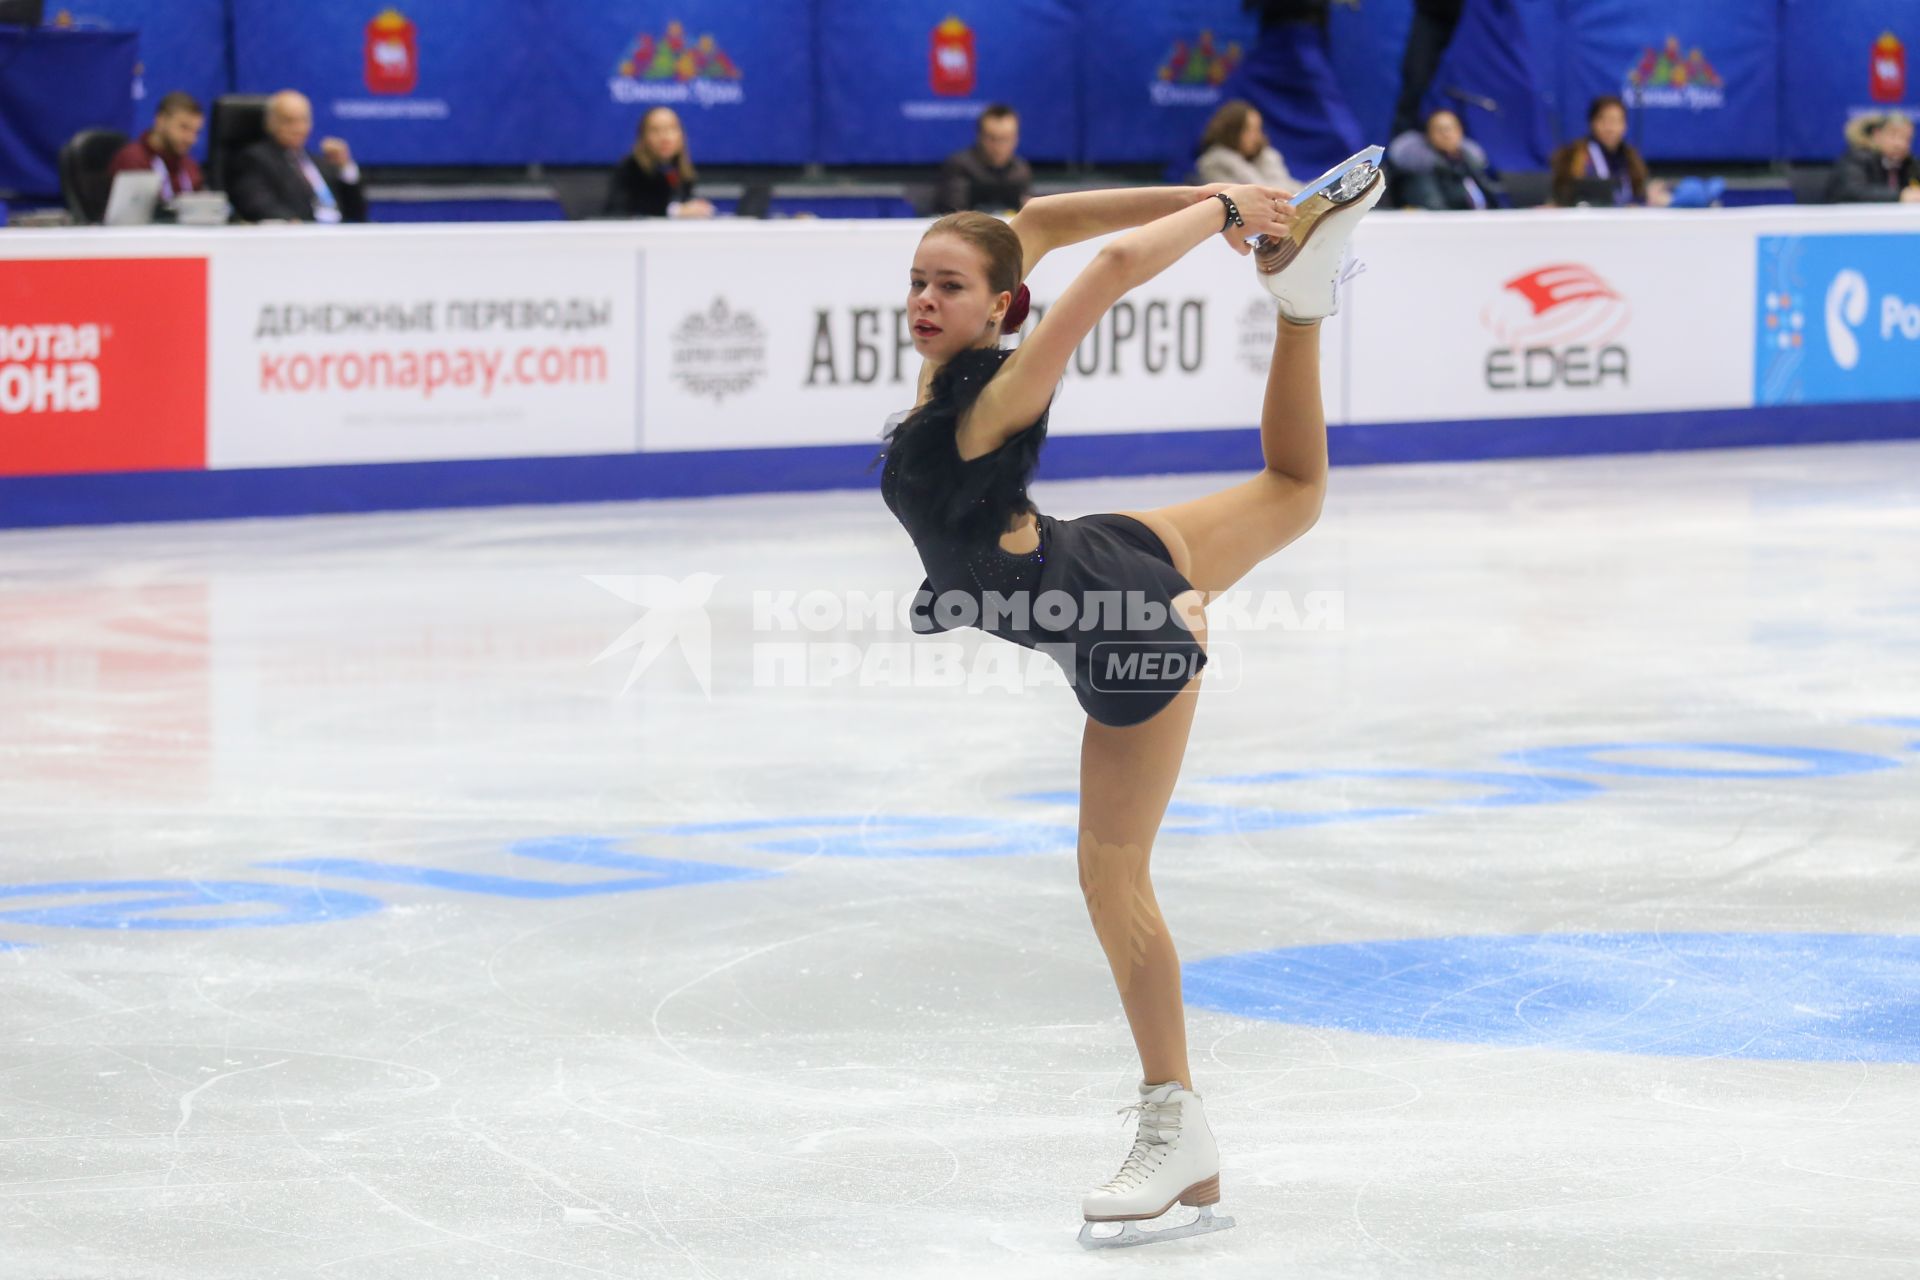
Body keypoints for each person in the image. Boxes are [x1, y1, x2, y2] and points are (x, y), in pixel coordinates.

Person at [874, 147, 1385, 1248]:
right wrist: (1251, 214)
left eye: (948, 287)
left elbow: (1101, 271)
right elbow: (1050, 222)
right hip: (1096, 552)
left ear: (997, 308)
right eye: (918, 281)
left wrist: (1220, 208)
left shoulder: (993, 398)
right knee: (1293, 496)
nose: (924, 299)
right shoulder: (944, 367)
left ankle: (1176, 1121)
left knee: (1112, 872)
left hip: (1120, 629)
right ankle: (1301, 307)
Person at [226, 90, 366, 224]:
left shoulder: (319, 162)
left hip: (338, 236)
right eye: (289, 121)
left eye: (303, 120)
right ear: (271, 123)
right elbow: (258, 204)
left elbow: (356, 212)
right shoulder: (255, 160)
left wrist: (344, 167)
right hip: (297, 238)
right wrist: (290, 223)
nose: (298, 128)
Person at [1550, 95, 1669, 208]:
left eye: (1616, 121)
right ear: (1593, 123)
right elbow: (1566, 195)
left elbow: (1637, 195)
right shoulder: (1574, 156)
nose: (1610, 128)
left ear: (1624, 126)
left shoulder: (1632, 159)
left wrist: (1647, 198)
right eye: (1604, 120)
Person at [605, 106, 715, 219]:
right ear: (643, 137)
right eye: (655, 130)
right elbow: (620, 211)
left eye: (671, 129)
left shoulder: (682, 172)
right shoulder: (630, 169)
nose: (665, 137)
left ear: (681, 135)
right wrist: (675, 211)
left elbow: (685, 203)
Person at [1389, 108, 1502, 210]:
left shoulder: (1471, 164)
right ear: (1428, 135)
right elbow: (1436, 208)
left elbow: (1494, 199)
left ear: (1460, 131)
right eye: (1440, 129)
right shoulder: (1420, 170)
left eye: (1451, 128)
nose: (1446, 134)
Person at [107, 91, 206, 202]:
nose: (191, 139)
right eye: (184, 128)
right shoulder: (132, 160)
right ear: (161, 120)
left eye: (196, 132)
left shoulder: (190, 167)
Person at [934, 103, 1032, 214]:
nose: (999, 146)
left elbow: (1024, 212)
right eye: (992, 138)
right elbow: (953, 215)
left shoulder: (1020, 170)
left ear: (1016, 138)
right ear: (979, 136)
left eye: (1006, 138)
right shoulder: (960, 165)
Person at [1193, 99, 1296, 190]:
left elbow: (1289, 189)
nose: (1257, 137)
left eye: (1258, 129)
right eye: (1250, 130)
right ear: (1232, 131)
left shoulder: (1265, 159)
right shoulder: (1215, 165)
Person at [1827, 112, 1920, 204]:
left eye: (1907, 139)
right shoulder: (1857, 158)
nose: (1900, 144)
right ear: (1877, 135)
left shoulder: (1909, 164)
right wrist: (1900, 195)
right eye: (1893, 136)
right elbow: (1852, 192)